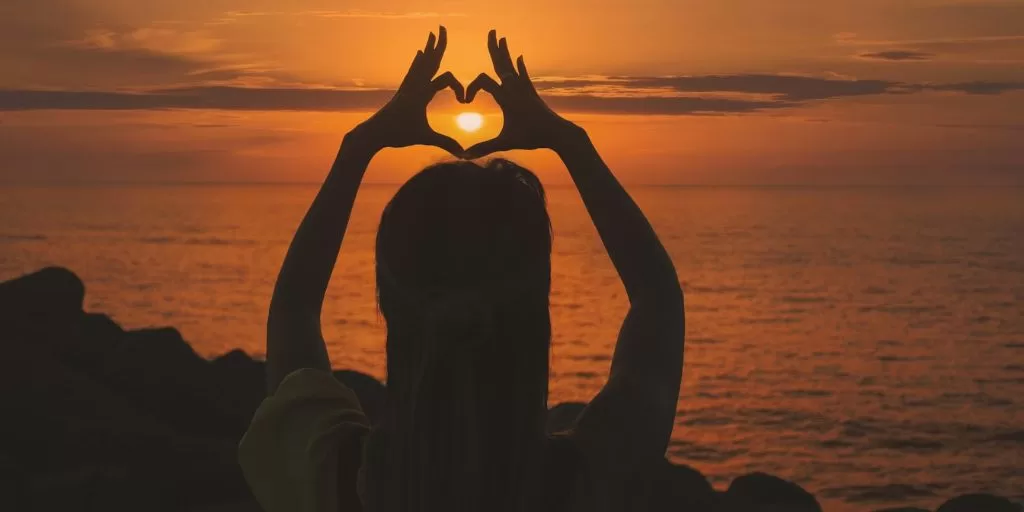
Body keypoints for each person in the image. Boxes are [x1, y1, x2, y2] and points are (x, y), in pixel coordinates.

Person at [238, 27, 685, 512]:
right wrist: (567, 140)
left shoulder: (329, 474)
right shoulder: (589, 480)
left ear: (389, 304)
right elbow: (656, 295)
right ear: (537, 311)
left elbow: (295, 306)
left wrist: (361, 145)